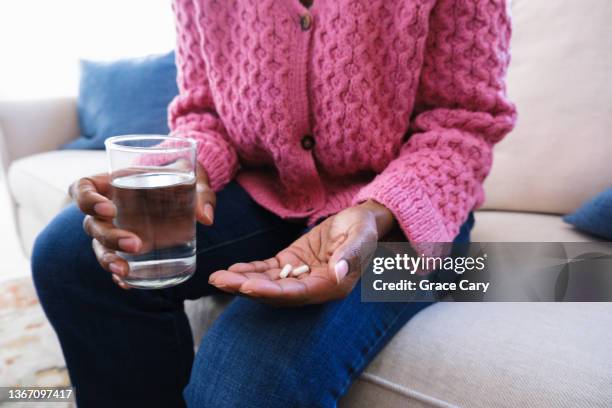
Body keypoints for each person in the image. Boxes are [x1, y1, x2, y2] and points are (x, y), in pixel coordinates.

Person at [32, 0, 516, 406]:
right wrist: (182, 173)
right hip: (265, 192)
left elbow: (463, 125)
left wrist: (378, 211)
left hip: (406, 216)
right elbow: (204, 111)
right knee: (68, 253)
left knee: (241, 386)